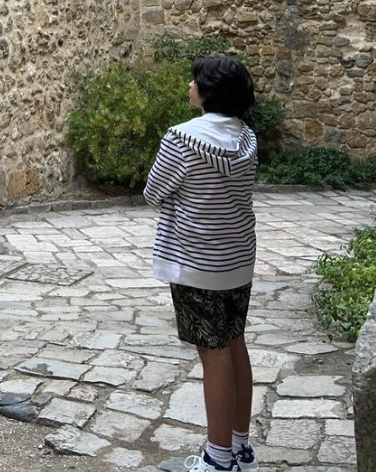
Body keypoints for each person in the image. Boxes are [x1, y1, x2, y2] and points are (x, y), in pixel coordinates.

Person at [144, 56, 259, 472]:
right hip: (237, 257)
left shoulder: (181, 138)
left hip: (197, 262)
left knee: (212, 355)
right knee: (235, 344)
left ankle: (218, 457)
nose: (188, 86)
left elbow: (154, 192)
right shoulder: (247, 138)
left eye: (193, 81)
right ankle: (242, 448)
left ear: (208, 90)